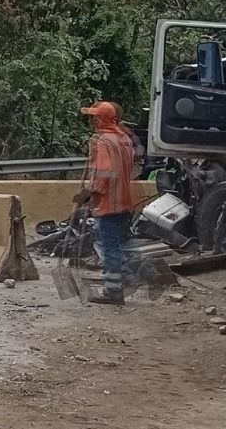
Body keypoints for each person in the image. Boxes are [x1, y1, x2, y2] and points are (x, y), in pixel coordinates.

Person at [74, 100, 138, 305]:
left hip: (108, 203)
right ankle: (125, 279)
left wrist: (88, 193)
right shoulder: (125, 139)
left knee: (108, 246)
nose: (92, 121)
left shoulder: (102, 141)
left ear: (102, 119)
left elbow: (103, 174)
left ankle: (113, 291)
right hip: (125, 200)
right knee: (119, 244)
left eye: (95, 118)